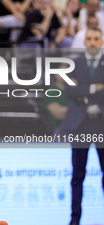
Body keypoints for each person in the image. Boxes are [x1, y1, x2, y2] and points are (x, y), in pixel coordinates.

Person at [59, 27, 104, 225]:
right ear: (84, 41)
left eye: (96, 38)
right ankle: (75, 219)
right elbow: (69, 91)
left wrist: (82, 91)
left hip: (101, 123)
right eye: (89, 39)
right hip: (81, 125)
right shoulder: (74, 63)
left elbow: (76, 91)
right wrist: (96, 88)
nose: (93, 42)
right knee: (77, 174)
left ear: (101, 41)